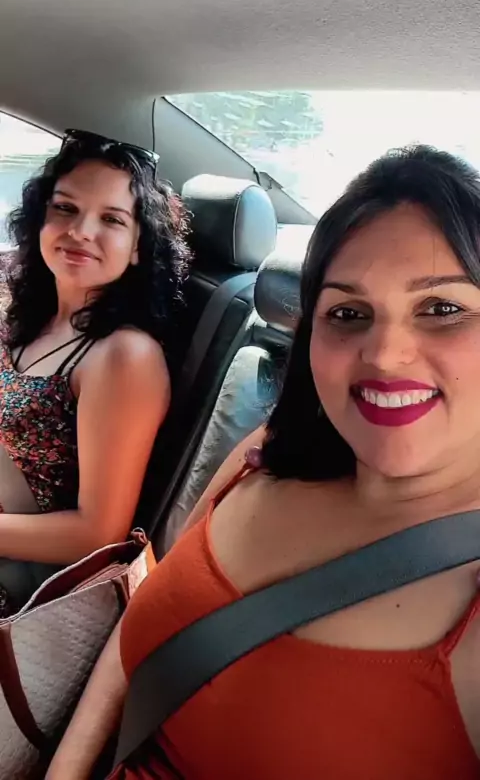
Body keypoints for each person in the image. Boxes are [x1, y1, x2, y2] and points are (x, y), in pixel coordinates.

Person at [47, 145, 480, 780]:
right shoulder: (264, 456)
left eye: (442, 309)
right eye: (348, 313)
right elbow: (147, 615)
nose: (386, 354)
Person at [0, 129, 190, 616]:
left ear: (138, 246)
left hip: (20, 585)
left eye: (111, 219)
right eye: (65, 208)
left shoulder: (124, 355)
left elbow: (97, 532)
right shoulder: (29, 318)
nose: (81, 231)